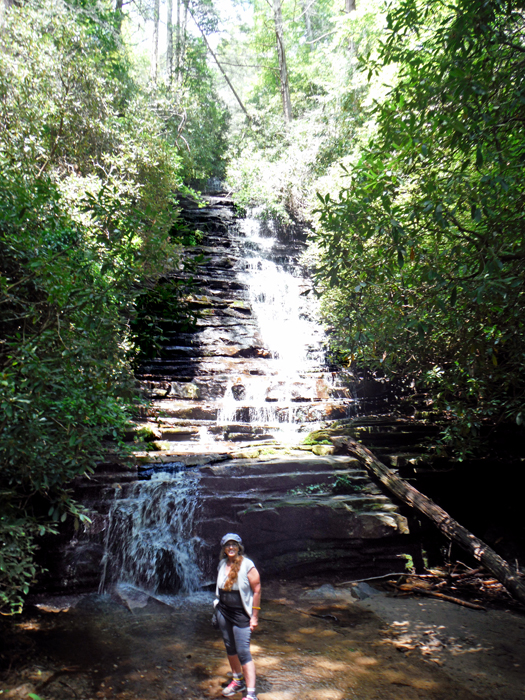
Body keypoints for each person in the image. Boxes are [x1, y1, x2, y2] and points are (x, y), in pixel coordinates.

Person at [215, 533, 261, 700]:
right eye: (228, 545)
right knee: (230, 648)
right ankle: (237, 680)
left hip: (241, 614)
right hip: (223, 612)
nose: (231, 547)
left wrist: (254, 616)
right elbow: (220, 590)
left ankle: (251, 694)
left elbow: (257, 589)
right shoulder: (222, 564)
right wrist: (216, 608)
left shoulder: (247, 565)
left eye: (234, 544)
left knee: (243, 651)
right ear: (224, 549)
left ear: (239, 547)